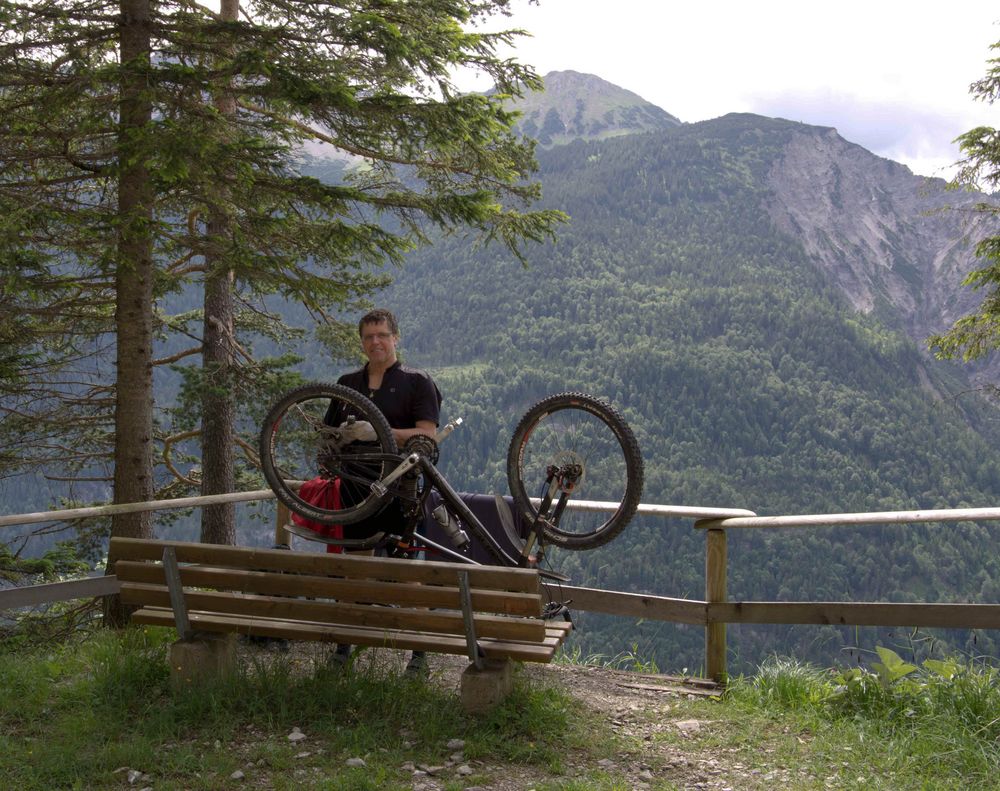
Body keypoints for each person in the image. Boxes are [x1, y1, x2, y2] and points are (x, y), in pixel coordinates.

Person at [325, 308, 442, 677]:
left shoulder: (416, 382)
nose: (375, 342)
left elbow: (428, 435)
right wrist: (339, 437)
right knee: (353, 572)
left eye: (382, 335)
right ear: (361, 342)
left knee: (407, 573)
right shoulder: (347, 383)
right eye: (368, 337)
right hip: (355, 488)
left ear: (395, 337)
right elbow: (327, 436)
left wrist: (377, 431)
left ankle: (419, 656)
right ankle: (343, 650)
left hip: (401, 490)